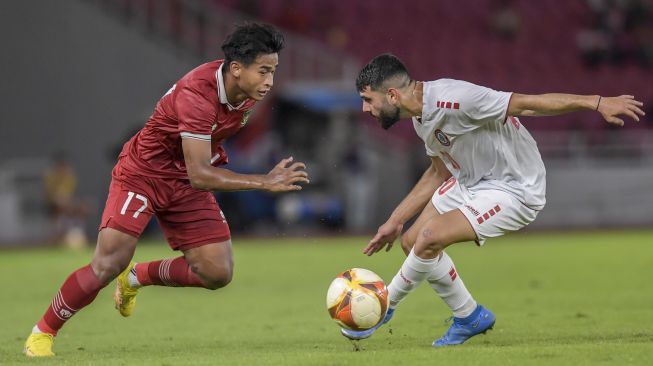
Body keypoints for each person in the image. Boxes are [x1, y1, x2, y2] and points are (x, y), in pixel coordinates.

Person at [24, 22, 309, 357]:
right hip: (143, 174)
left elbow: (198, 167)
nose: (269, 82)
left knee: (218, 272)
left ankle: (138, 276)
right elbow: (201, 174)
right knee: (107, 263)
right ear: (236, 68)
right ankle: (42, 333)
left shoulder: (246, 95)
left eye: (273, 72)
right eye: (263, 71)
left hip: (184, 178)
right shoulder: (197, 96)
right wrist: (263, 181)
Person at [341, 54, 644, 346]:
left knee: (429, 238)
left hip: (514, 187)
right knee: (411, 241)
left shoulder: (457, 99)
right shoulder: (421, 117)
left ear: (392, 95)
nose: (366, 109)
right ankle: (470, 316)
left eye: (368, 100)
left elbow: (528, 105)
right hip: (471, 180)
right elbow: (437, 173)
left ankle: (383, 305)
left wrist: (597, 102)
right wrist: (395, 220)